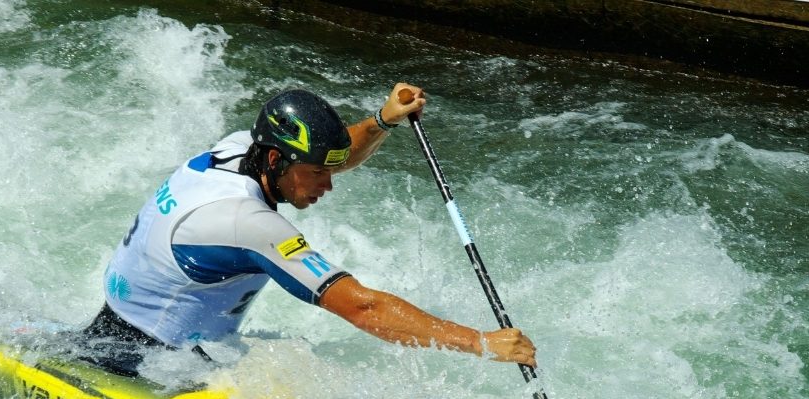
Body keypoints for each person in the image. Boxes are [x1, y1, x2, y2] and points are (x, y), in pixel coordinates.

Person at [84, 83, 537, 371]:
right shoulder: (247, 223)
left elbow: (333, 155)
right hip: (150, 365)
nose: (328, 185)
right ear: (277, 160)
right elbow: (364, 309)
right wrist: (480, 342)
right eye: (319, 174)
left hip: (122, 328)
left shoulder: (240, 148)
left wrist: (382, 121)